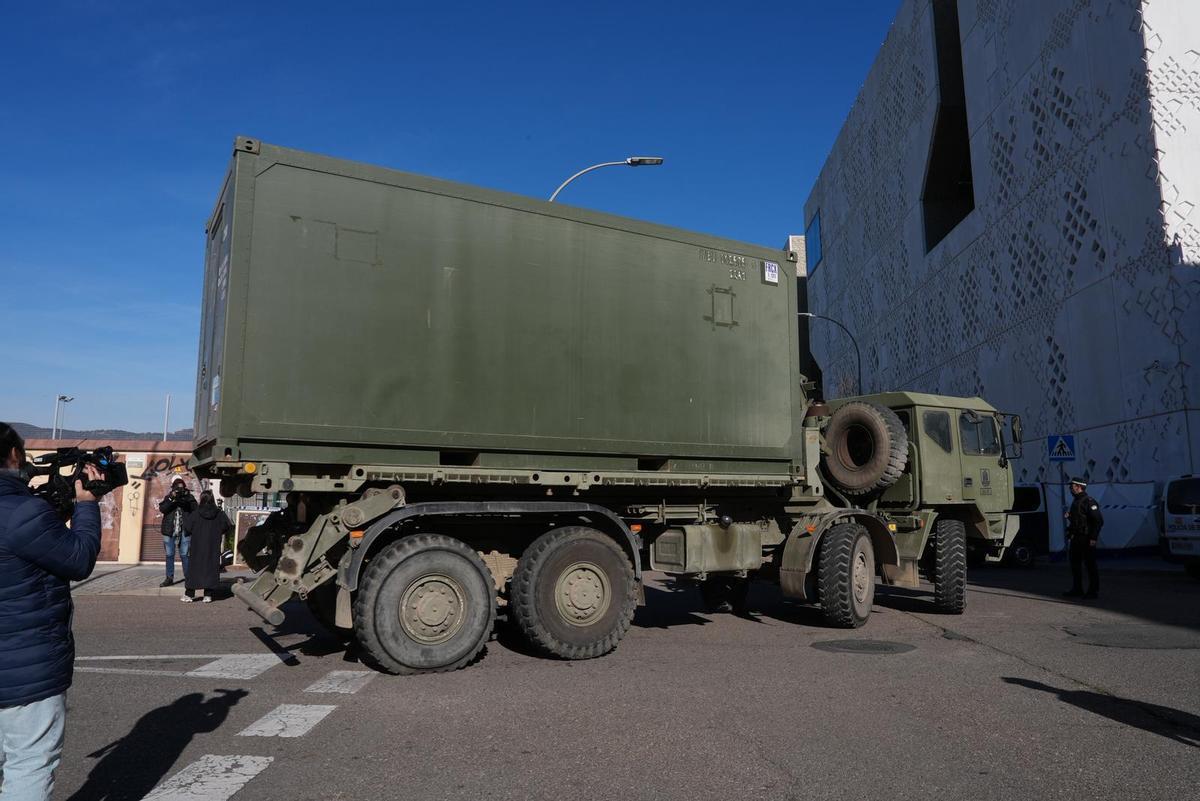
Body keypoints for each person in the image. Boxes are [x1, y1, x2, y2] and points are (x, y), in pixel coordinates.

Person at [0, 422, 102, 800]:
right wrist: (88, 506)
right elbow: (77, 560)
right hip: (24, 670)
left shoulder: (27, 512)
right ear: (13, 455)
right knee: (28, 763)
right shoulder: (22, 513)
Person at [181, 490, 232, 603]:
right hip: (213, 546)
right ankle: (208, 595)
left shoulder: (196, 513)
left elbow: (188, 528)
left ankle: (189, 594)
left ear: (201, 499)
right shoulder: (219, 513)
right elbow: (226, 526)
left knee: (194, 569)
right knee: (210, 568)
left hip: (197, 546)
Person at [1063, 476, 1103, 599]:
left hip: (1086, 539)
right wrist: (1069, 517)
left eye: (1072, 486)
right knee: (1075, 565)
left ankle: (1093, 591)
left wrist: (1093, 538)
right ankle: (1077, 589)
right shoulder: (1076, 501)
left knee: (1090, 565)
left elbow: (1098, 521)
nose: (1070, 488)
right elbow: (1079, 520)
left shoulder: (1089, 501)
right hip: (1076, 538)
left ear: (1079, 487)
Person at [158, 477, 196, 587]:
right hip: (169, 530)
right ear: (173, 489)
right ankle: (169, 578)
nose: (180, 491)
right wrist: (172, 499)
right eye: (177, 489)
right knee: (169, 555)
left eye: (181, 489)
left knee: (185, 554)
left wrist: (187, 498)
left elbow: (194, 508)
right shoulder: (169, 497)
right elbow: (163, 509)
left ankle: (188, 578)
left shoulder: (189, 497)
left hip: (185, 530)